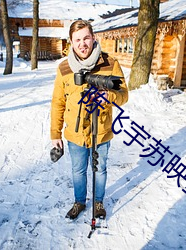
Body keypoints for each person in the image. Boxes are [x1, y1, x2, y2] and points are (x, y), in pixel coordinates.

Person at [50, 20, 128, 220]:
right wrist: (55, 134)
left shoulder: (110, 63)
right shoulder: (64, 68)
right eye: (78, 40)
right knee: (78, 170)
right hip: (75, 133)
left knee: (100, 168)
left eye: (86, 38)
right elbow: (58, 102)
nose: (82, 43)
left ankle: (99, 202)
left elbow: (124, 94)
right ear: (71, 42)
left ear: (93, 38)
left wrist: (108, 97)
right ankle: (79, 202)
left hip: (101, 130)